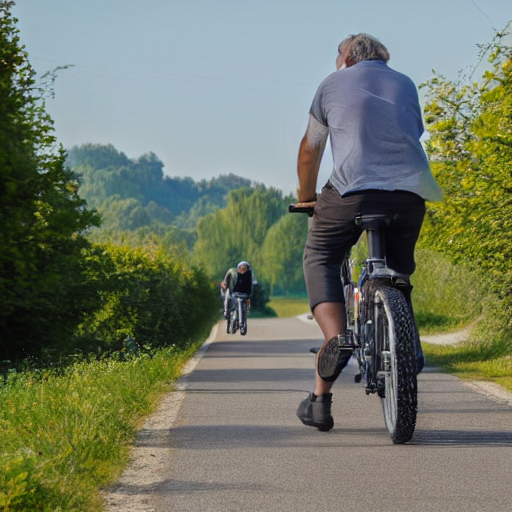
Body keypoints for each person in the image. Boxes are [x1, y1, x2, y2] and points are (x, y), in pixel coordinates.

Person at [295, 33, 442, 432]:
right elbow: (413, 132)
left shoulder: (330, 84)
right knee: (398, 272)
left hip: (351, 192)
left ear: (344, 60)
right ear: (383, 58)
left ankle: (331, 354)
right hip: (411, 194)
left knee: (321, 257)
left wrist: (307, 196)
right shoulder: (405, 83)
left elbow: (311, 149)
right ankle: (407, 342)